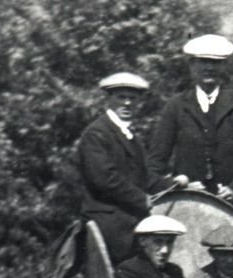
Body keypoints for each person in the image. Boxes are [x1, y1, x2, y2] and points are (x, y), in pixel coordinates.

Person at [147, 35, 233, 213]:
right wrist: (178, 187)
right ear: (191, 65)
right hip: (187, 206)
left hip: (232, 208)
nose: (209, 68)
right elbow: (154, 165)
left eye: (215, 63)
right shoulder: (176, 107)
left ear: (224, 66)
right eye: (202, 62)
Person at [77, 72, 181, 262]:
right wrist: (142, 199)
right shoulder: (96, 134)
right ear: (108, 99)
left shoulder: (130, 136)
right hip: (108, 224)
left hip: (130, 223)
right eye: (121, 97)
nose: (127, 103)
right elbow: (104, 179)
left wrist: (175, 185)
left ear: (139, 103)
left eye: (132, 98)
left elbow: (145, 177)